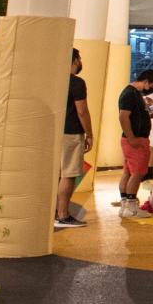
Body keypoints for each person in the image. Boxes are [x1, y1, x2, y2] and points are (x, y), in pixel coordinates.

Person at [117, 68, 153, 219]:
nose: (152, 89)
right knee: (137, 173)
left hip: (133, 139)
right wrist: (132, 138)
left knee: (128, 172)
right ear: (145, 82)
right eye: (152, 85)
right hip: (135, 140)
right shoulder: (130, 94)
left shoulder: (134, 94)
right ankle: (131, 207)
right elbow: (123, 117)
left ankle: (125, 204)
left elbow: (137, 115)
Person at [54, 49, 93, 229]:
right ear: (75, 60)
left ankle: (53, 211)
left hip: (53, 132)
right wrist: (89, 134)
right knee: (68, 174)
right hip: (70, 132)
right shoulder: (76, 83)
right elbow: (82, 111)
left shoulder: (53, 80)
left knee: (56, 174)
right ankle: (63, 214)